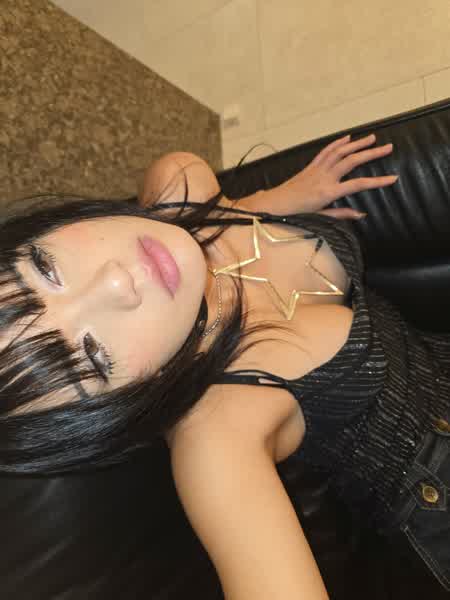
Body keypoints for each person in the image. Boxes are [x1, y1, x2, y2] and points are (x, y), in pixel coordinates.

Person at [0, 132, 448, 598]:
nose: (114, 283)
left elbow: (178, 169)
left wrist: (269, 203)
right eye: (94, 356)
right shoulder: (216, 434)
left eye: (44, 267)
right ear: (122, 408)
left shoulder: (181, 192)